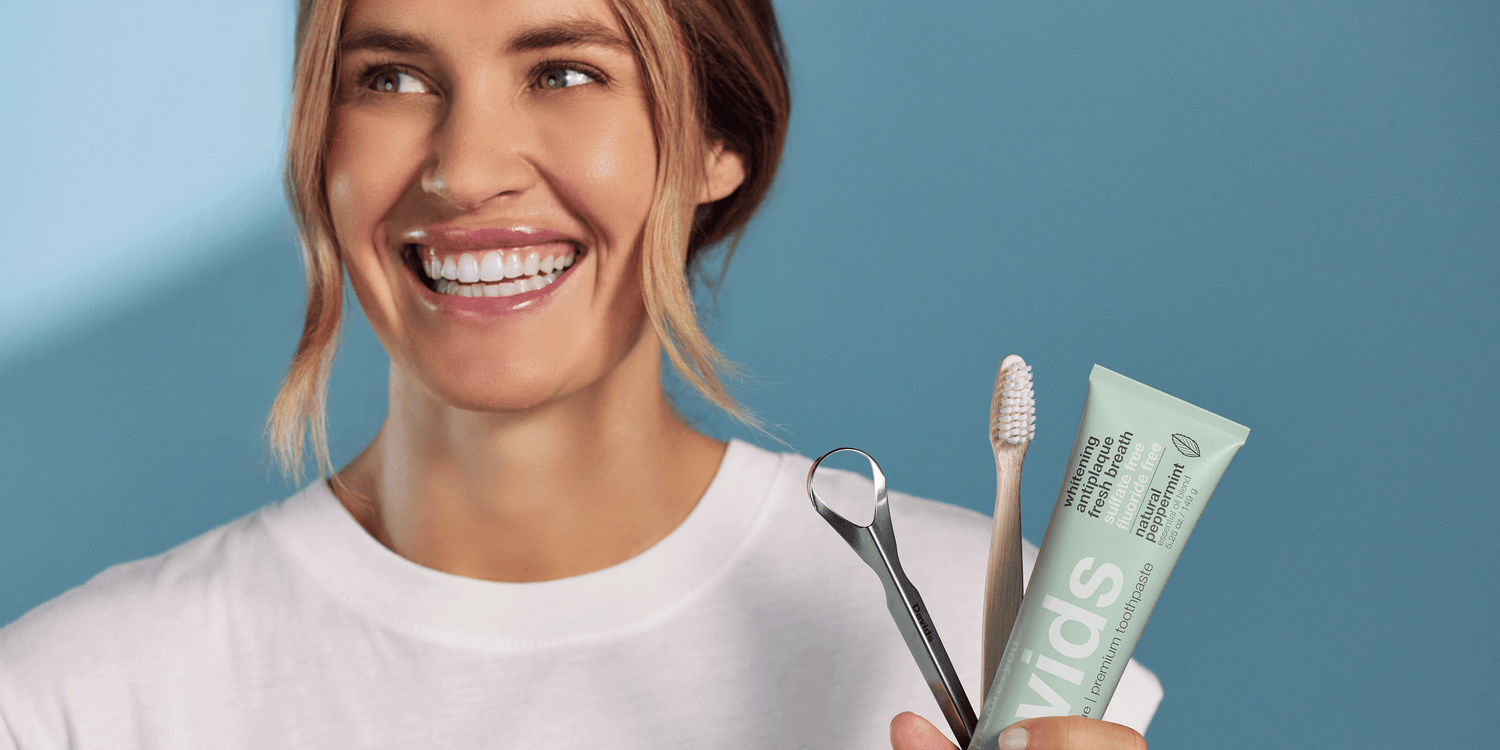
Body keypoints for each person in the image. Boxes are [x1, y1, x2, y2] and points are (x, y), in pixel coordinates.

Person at [0, 0, 1160, 748]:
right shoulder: (74, 700)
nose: (463, 170)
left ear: (719, 141)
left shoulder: (993, 636)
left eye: (563, 71)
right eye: (389, 78)